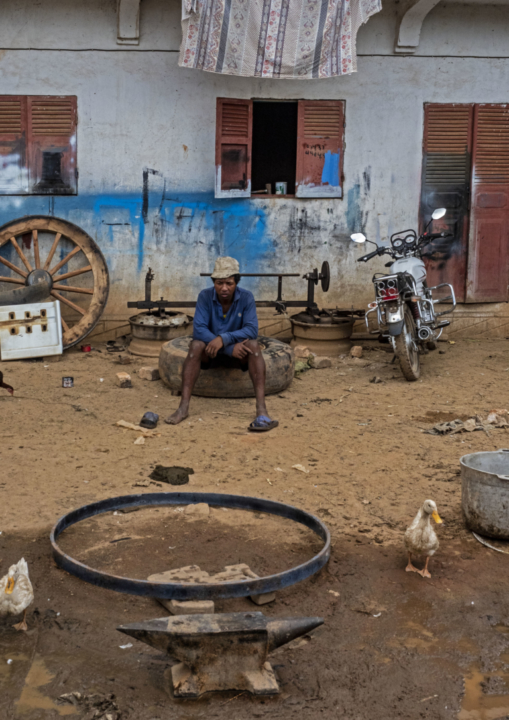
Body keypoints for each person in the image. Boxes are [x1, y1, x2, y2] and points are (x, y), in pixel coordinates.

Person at [165, 257, 278, 431]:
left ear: (236, 283)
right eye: (219, 283)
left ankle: (261, 409)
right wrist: (229, 347)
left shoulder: (246, 297)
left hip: (239, 356)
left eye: (229, 283)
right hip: (210, 353)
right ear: (214, 282)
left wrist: (223, 339)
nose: (224, 288)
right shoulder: (204, 296)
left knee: (254, 346)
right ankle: (183, 407)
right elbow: (199, 330)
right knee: (195, 345)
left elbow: (252, 330)